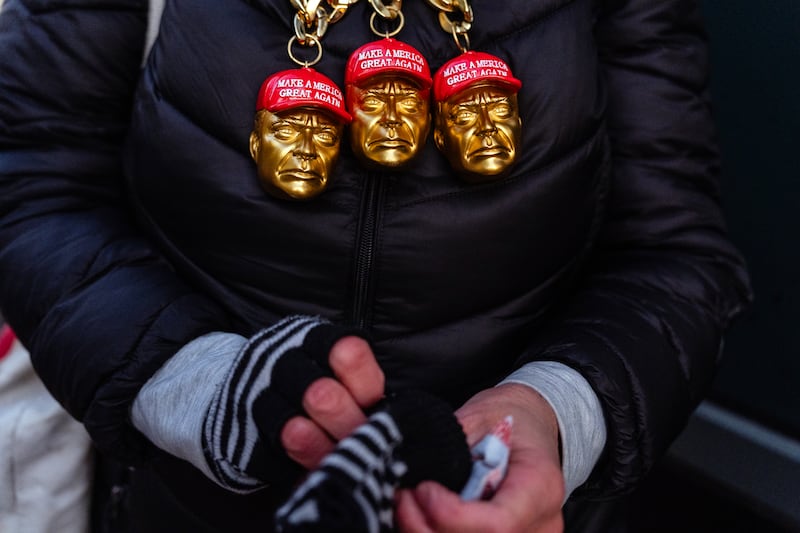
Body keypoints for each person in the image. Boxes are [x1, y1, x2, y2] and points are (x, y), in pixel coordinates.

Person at [0, 0, 752, 532]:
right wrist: (202, 384)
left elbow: (675, 255)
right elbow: (32, 184)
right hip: (175, 502)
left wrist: (555, 411)